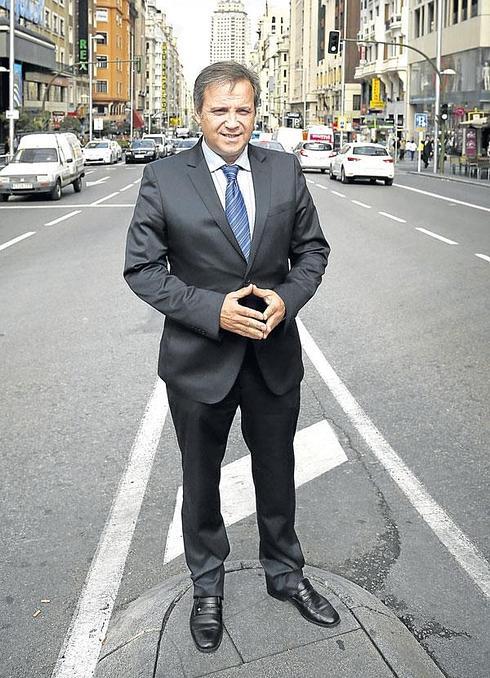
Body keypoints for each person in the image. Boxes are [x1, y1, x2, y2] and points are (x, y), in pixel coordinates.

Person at [124, 61, 339, 654]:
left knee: (277, 472)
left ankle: (285, 573)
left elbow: (312, 251)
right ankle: (207, 587)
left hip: (273, 357)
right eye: (220, 110)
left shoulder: (285, 170)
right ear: (199, 113)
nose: (232, 121)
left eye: (242, 109)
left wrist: (287, 299)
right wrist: (210, 310)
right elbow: (142, 269)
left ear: (255, 111)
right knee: (200, 479)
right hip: (199, 361)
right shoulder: (164, 178)